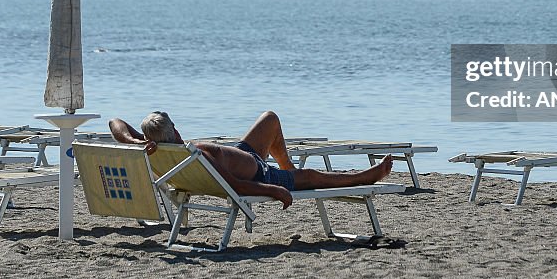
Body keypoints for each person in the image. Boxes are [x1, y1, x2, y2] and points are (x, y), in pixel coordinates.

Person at [107, 110, 393, 209]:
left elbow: (114, 122)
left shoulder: (154, 148)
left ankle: (288, 168)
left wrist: (133, 141)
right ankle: (365, 177)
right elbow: (234, 185)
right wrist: (273, 189)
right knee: (312, 178)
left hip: (247, 156)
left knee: (270, 119)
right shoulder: (195, 154)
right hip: (260, 175)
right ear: (176, 130)